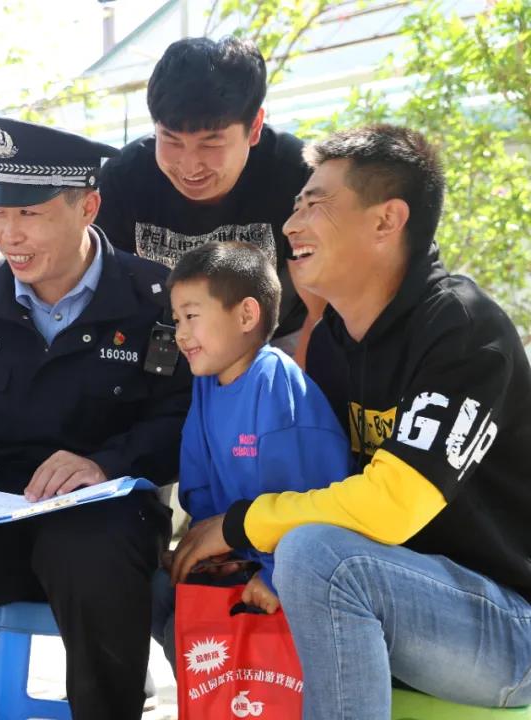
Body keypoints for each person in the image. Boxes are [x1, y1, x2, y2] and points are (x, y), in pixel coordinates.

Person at [170, 125, 531, 718]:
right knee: (190, 574)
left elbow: (392, 506)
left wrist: (238, 525)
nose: (291, 225)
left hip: (509, 627)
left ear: (387, 220)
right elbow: (323, 487)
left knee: (318, 556)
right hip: (388, 603)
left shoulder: (462, 330)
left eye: (315, 204)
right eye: (296, 205)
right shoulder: (336, 343)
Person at [0, 117, 192, 720]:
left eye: (30, 213)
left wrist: (104, 464)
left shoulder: (156, 299)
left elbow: (181, 417)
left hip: (103, 520)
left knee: (90, 549)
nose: (9, 234)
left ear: (88, 207)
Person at [149, 240, 352, 664]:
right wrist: (206, 554)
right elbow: (200, 486)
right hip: (240, 557)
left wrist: (276, 577)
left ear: (245, 315)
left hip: (297, 572)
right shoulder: (206, 382)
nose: (180, 333)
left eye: (191, 316)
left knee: (190, 635)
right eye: (176, 319)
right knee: (151, 591)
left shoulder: (275, 385)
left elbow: (310, 507)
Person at [95, 36, 323, 361]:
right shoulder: (124, 177)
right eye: (171, 140)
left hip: (277, 342)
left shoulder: (298, 175)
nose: (190, 166)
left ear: (254, 127)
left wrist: (296, 380)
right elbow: (105, 287)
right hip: (166, 339)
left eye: (210, 144)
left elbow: (322, 299)